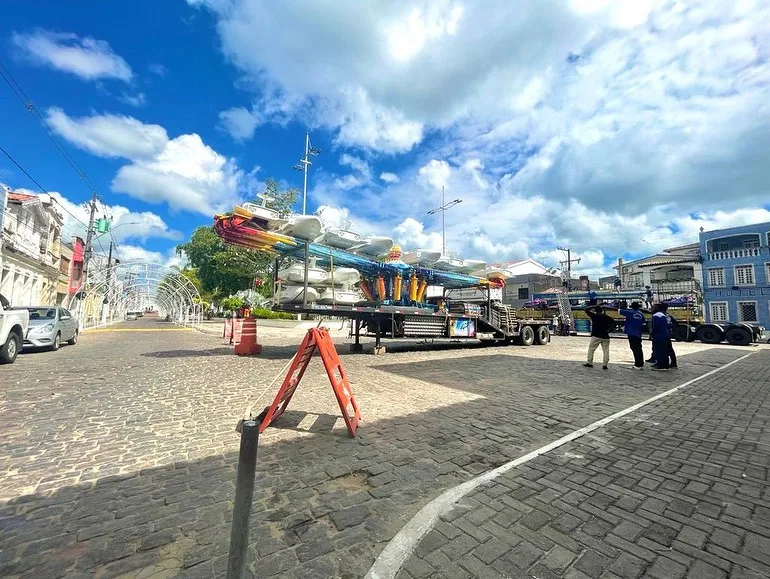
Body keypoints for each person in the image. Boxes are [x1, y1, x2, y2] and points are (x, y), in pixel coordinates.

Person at [583, 305, 613, 369]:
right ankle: (605, 365)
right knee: (606, 351)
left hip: (596, 335)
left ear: (595, 311)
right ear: (602, 310)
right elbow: (613, 323)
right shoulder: (606, 317)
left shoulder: (594, 316)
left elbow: (586, 309)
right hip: (605, 336)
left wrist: (594, 306)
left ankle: (590, 362)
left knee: (591, 349)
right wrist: (609, 331)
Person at [619, 302, 646, 369]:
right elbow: (643, 325)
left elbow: (618, 310)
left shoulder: (629, 312)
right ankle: (641, 364)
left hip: (631, 333)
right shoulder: (641, 314)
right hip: (638, 334)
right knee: (639, 349)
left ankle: (637, 364)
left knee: (634, 349)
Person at [650, 304, 671, 370]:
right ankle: (666, 365)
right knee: (664, 351)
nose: (651, 309)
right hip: (665, 334)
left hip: (659, 335)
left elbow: (655, 327)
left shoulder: (655, 316)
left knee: (659, 350)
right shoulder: (663, 315)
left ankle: (660, 365)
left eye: (653, 308)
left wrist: (652, 334)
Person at [660, 303, 678, 369]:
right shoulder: (668, 315)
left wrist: (667, 326)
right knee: (670, 349)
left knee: (664, 349)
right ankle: (674, 363)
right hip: (668, 334)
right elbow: (676, 323)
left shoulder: (661, 315)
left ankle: (665, 364)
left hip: (662, 334)